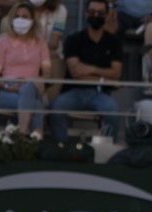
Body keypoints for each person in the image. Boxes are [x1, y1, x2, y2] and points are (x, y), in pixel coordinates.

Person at [49, 0, 122, 142]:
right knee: (55, 108)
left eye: (100, 13)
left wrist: (91, 69)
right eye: (92, 12)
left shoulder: (114, 42)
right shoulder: (73, 40)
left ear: (107, 16)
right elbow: (75, 73)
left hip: (100, 93)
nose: (96, 15)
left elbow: (116, 73)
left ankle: (106, 150)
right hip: (73, 91)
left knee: (113, 111)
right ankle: (61, 147)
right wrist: (103, 78)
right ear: (85, 14)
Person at [0, 1, 51, 139]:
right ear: (11, 19)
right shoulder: (3, 41)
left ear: (32, 20)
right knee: (35, 101)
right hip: (6, 90)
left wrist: (41, 81)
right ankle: (36, 133)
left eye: (25, 16)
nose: (20, 20)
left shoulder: (40, 42)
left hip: (31, 87)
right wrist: (8, 87)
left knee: (29, 88)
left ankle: (22, 134)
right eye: (17, 16)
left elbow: (47, 73)